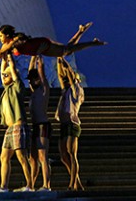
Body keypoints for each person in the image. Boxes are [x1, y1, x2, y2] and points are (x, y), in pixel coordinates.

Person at [0, 53, 32, 193]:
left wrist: (10, 59)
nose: (4, 77)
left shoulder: (17, 87)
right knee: (4, 157)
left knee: (21, 157)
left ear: (13, 77)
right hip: (10, 129)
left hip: (18, 127)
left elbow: (12, 69)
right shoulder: (6, 91)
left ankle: (30, 186)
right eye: (4, 76)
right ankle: (3, 186)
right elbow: (2, 72)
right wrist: (3, 60)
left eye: (7, 76)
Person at [0, 22, 106, 62]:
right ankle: (81, 31)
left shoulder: (15, 40)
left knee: (66, 51)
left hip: (42, 45)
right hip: (39, 49)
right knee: (66, 49)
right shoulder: (7, 45)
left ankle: (93, 43)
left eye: (0, 36)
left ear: (8, 35)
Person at [55, 57, 85, 191]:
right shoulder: (65, 90)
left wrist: (65, 62)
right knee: (63, 155)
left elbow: (71, 76)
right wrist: (58, 60)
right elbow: (61, 77)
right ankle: (76, 180)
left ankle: (72, 184)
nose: (66, 81)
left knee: (72, 153)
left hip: (72, 123)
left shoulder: (77, 90)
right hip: (64, 124)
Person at [27, 55, 52, 191]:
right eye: (30, 80)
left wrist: (39, 60)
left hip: (43, 125)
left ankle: (46, 185)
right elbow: (30, 72)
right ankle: (31, 184)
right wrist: (32, 58)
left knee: (43, 156)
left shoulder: (43, 90)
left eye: (33, 79)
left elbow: (41, 74)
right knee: (33, 158)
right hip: (35, 126)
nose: (31, 82)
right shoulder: (34, 92)